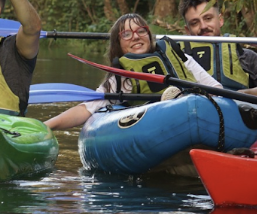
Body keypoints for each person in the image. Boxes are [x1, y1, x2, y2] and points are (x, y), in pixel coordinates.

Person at [44, 13, 220, 130]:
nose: (136, 37)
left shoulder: (182, 59)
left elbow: (216, 89)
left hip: (198, 118)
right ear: (118, 45)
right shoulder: (120, 78)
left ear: (149, 35)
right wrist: (46, 125)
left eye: (141, 31)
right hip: (157, 130)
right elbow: (85, 110)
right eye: (126, 34)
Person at [177, 0, 257, 89]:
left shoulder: (243, 56)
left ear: (220, 20)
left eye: (208, 18)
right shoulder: (176, 57)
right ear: (187, 30)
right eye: (194, 23)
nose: (203, 26)